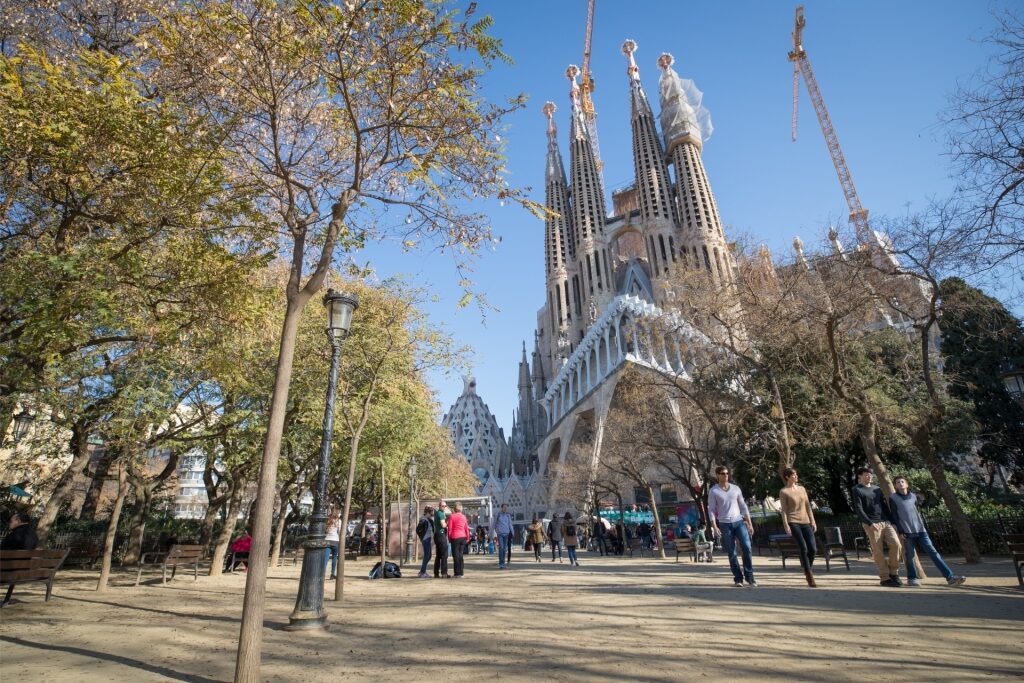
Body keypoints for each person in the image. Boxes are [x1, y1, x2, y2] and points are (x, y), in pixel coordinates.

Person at [889, 476, 967, 587]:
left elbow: (916, 511)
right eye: (898, 482)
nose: (900, 483)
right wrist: (900, 531)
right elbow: (894, 516)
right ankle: (912, 578)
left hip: (921, 530)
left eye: (902, 481)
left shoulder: (913, 496)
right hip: (906, 531)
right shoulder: (893, 498)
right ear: (895, 485)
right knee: (909, 555)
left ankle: (950, 577)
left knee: (933, 552)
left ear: (907, 484)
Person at [852, 466, 904, 587]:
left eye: (870, 474)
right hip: (871, 524)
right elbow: (859, 509)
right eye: (866, 474)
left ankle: (894, 573)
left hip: (885, 522)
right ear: (860, 476)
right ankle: (885, 577)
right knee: (878, 551)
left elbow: (884, 506)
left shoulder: (877, 489)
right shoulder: (857, 490)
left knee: (896, 544)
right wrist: (870, 523)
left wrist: (893, 522)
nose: (869, 476)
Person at [708, 465, 757, 587]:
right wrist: (714, 526)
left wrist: (749, 523)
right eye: (723, 473)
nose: (725, 476)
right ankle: (738, 578)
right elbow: (712, 510)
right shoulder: (714, 491)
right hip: (724, 524)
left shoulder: (735, 489)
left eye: (727, 473)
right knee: (732, 552)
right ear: (717, 475)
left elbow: (743, 506)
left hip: (739, 521)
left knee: (747, 547)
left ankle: (750, 577)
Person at [779, 467, 818, 587]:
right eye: (793, 475)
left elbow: (807, 506)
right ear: (787, 477)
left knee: (812, 548)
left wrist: (813, 521)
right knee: (803, 548)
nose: (796, 476)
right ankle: (809, 574)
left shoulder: (802, 489)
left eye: (796, 474)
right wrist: (786, 525)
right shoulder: (784, 491)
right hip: (793, 521)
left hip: (805, 520)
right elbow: (784, 511)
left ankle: (807, 566)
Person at [448, 502, 470, 578]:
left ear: (454, 508)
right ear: (461, 509)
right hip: (463, 537)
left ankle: (457, 573)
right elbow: (466, 528)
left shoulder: (452, 516)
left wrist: (449, 538)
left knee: (456, 556)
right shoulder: (464, 517)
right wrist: (467, 537)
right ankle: (461, 572)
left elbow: (450, 529)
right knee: (461, 555)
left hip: (455, 537)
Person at [494, 503, 515, 568]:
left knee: (504, 549)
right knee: (501, 548)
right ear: (501, 508)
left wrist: (512, 532)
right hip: (500, 533)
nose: (505, 509)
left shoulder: (508, 516)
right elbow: (494, 523)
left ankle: (503, 563)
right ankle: (501, 563)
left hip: (506, 534)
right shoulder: (498, 515)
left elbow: (510, 524)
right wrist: (494, 532)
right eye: (504, 507)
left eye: (506, 507)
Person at [415, 505, 434, 578]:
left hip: (428, 539)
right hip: (425, 539)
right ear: (427, 513)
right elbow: (417, 530)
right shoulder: (423, 520)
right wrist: (421, 537)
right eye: (431, 513)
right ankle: (422, 572)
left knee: (429, 555)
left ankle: (422, 571)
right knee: (427, 555)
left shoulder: (429, 520)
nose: (431, 515)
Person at [433, 501, 450, 578]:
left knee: (438, 555)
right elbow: (443, 525)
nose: (444, 507)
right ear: (439, 506)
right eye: (443, 506)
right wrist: (448, 523)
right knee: (444, 555)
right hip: (441, 535)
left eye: (445, 506)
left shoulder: (437, 513)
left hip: (437, 535)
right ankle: (444, 573)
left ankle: (436, 573)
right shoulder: (440, 513)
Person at [324, 511, 341, 580]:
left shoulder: (328, 520)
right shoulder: (338, 521)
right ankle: (332, 574)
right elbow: (340, 531)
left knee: (326, 558)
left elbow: (325, 531)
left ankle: (322, 573)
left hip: (327, 540)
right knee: (334, 557)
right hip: (335, 540)